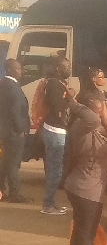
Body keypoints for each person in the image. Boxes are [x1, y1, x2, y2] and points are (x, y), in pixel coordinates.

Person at [62, 90, 107, 245]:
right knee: (86, 233)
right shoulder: (84, 125)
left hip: (86, 186)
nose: (104, 106)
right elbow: (92, 118)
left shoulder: (90, 126)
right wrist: (73, 102)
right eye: (101, 103)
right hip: (86, 187)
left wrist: (106, 119)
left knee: (81, 232)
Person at [39, 57, 75, 216]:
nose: (69, 69)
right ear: (58, 68)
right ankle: (48, 205)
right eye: (66, 66)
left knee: (56, 169)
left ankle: (51, 203)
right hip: (55, 131)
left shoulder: (55, 83)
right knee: (55, 171)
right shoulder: (54, 84)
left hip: (54, 130)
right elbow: (57, 107)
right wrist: (69, 97)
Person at [0, 58, 30, 204]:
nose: (21, 71)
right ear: (9, 70)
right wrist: (20, 130)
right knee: (13, 163)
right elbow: (15, 111)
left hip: (4, 132)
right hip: (13, 133)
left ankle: (1, 190)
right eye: (17, 69)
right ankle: (15, 193)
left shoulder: (3, 85)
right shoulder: (13, 88)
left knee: (4, 162)